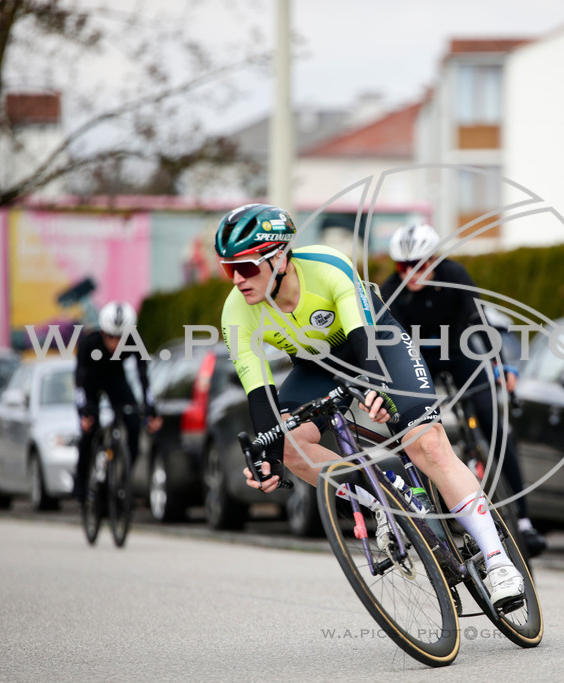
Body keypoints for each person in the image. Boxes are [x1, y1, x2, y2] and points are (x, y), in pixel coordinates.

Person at [218, 203, 526, 608]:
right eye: (228, 269)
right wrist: (268, 460)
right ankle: (380, 498)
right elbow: (260, 394)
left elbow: (364, 342)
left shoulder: (327, 267)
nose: (238, 279)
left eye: (247, 267)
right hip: (317, 366)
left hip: (376, 344)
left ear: (279, 257)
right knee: (290, 447)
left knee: (426, 444)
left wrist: (374, 390)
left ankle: (498, 561)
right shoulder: (236, 312)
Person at [379, 223, 547, 557]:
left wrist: (500, 363)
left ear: (435, 260)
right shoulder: (391, 289)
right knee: (422, 428)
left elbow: (478, 319)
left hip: (459, 352)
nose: (412, 273)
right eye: (403, 266)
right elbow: (389, 343)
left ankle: (524, 520)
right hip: (419, 357)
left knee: (493, 425)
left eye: (421, 264)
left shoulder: (455, 274)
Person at [73, 301, 161, 500]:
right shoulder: (89, 343)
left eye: (121, 338)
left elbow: (143, 376)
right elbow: (79, 381)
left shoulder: (136, 341)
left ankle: (121, 478)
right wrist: (83, 411)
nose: (115, 343)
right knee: (89, 428)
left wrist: (150, 409)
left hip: (116, 380)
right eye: (110, 337)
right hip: (91, 381)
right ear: (102, 332)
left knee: (133, 424)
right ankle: (80, 482)